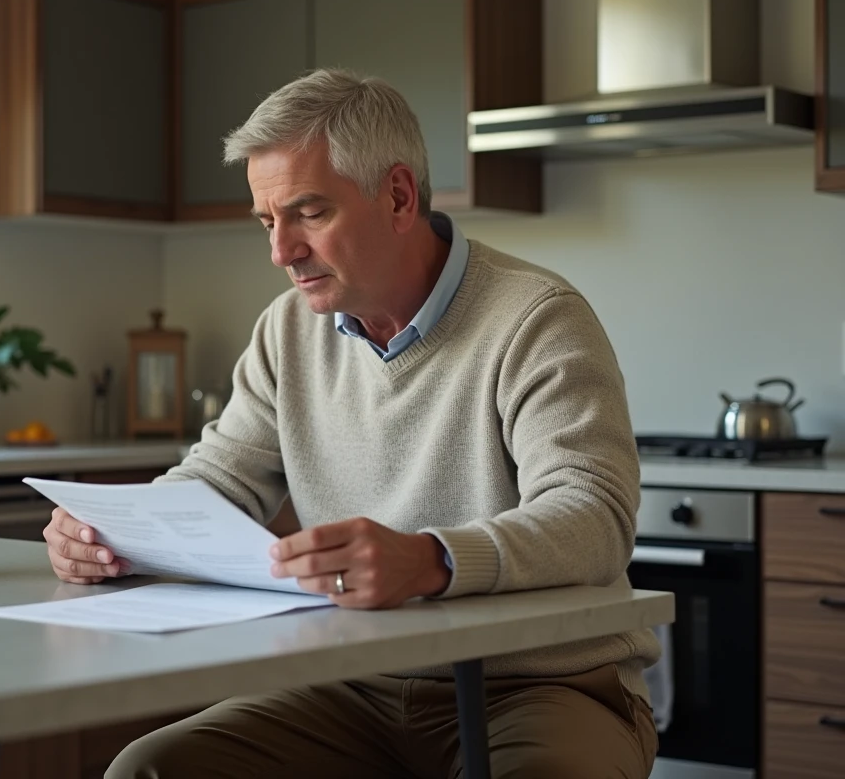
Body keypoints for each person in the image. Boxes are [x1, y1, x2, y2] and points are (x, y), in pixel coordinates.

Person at [43, 68, 660, 778]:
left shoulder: (537, 317)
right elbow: (218, 478)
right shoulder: (286, 332)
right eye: (268, 222)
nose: (281, 252)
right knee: (148, 770)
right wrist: (112, 532)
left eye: (308, 213)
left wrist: (430, 559)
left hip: (536, 686)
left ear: (397, 196)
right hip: (349, 681)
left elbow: (595, 519)